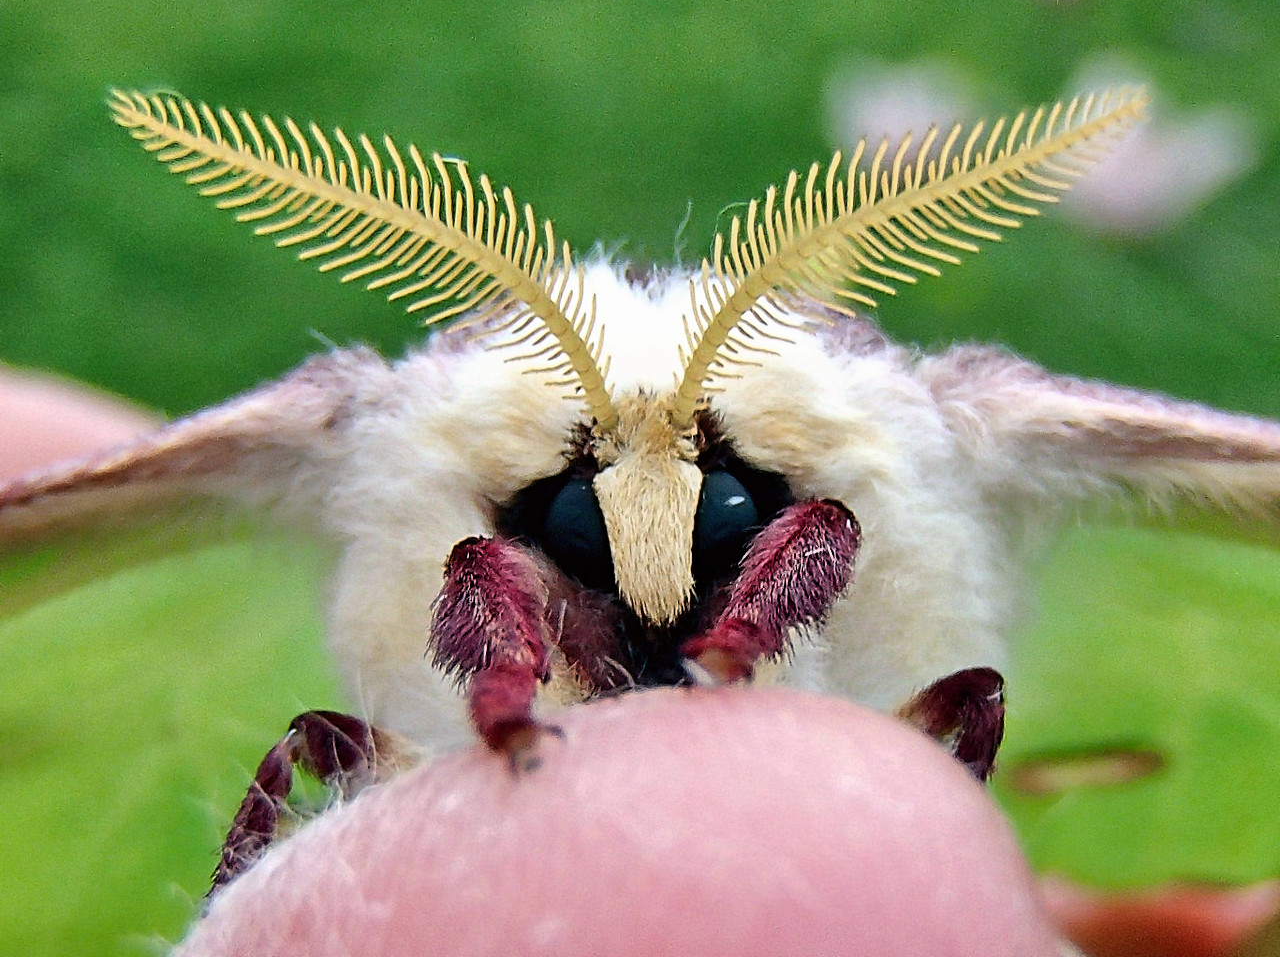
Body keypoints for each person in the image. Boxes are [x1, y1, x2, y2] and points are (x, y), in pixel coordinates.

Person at [2, 368, 1275, 956]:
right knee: (311, 750)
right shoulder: (442, 519)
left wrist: (750, 632)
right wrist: (498, 672)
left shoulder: (867, 500)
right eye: (571, 528)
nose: (650, 580)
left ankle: (987, 869)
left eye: (730, 522)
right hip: (469, 850)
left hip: (846, 870)